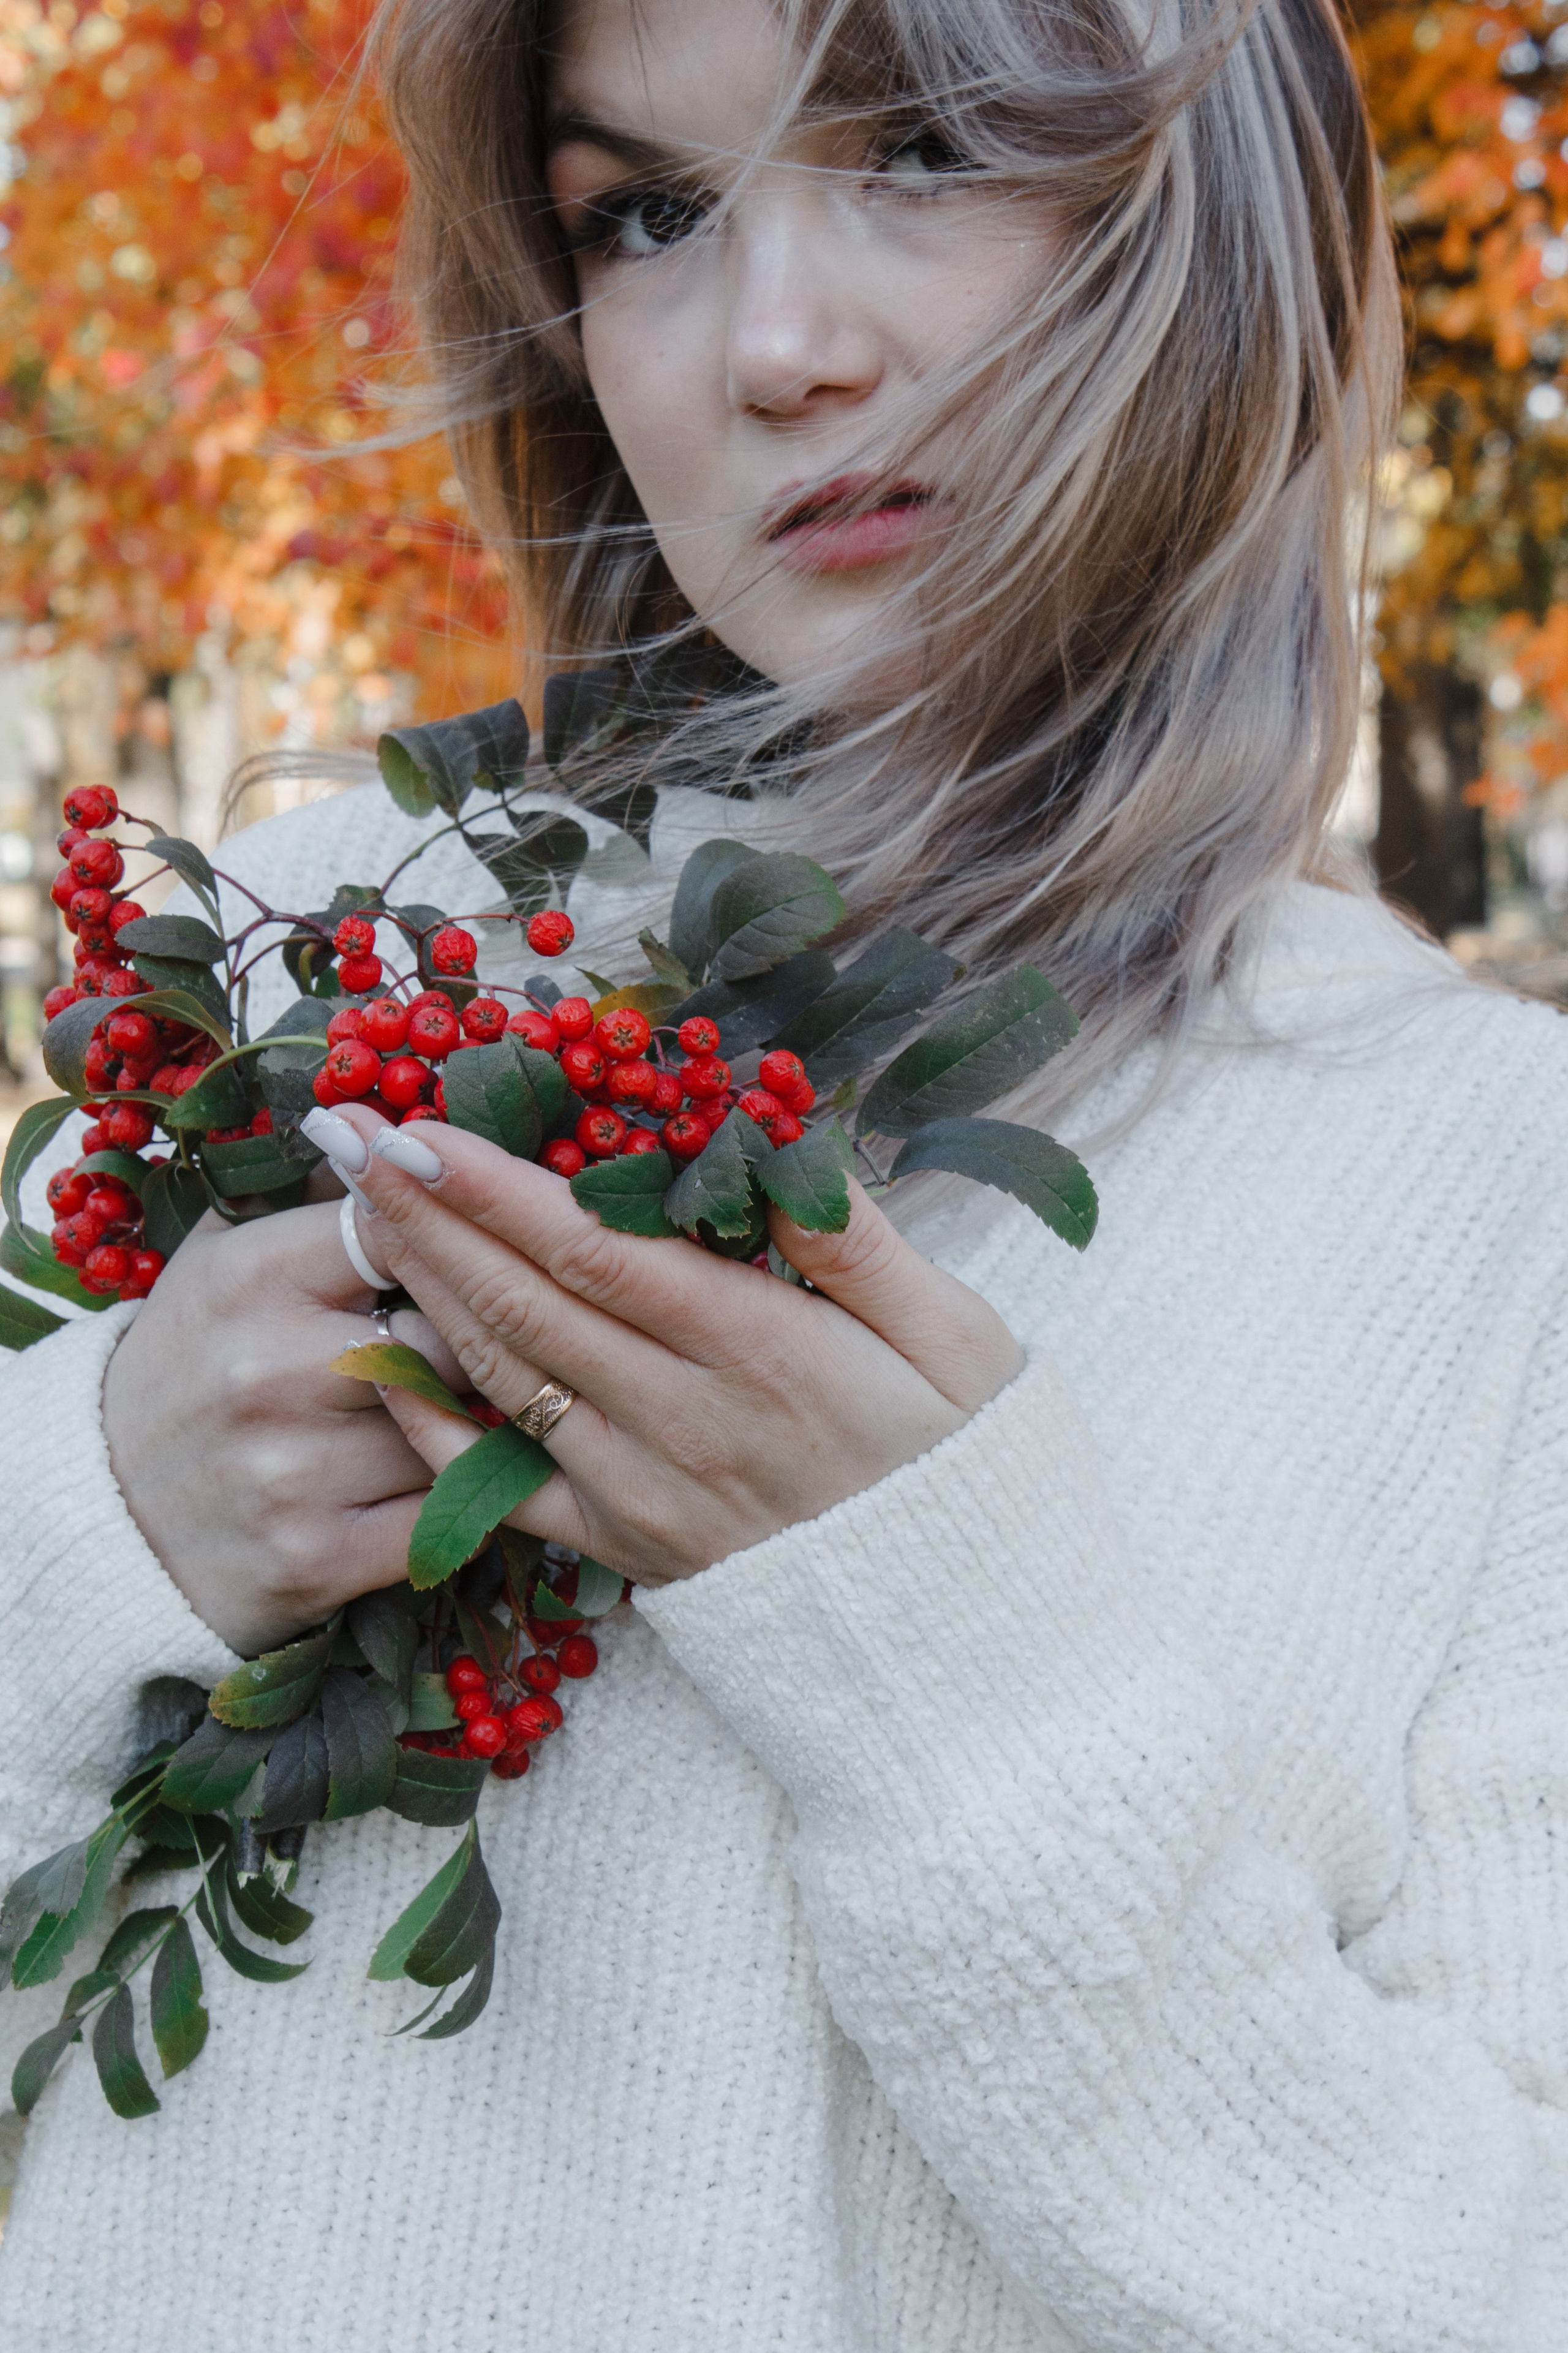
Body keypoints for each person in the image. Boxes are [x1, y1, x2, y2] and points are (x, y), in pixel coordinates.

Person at [2, 0, 1566, 2344]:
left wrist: (950, 1658)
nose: (777, 349)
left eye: (924, 150)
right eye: (644, 214)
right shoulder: (300, 970)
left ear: (1211, 217)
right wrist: (93, 1534)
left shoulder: (1496, 1195)